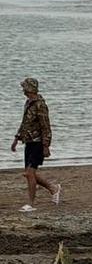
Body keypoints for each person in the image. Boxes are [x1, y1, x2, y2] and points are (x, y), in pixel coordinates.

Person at [10, 78, 61, 212]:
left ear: (30, 88)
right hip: (29, 142)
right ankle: (53, 188)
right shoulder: (28, 103)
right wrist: (16, 138)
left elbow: (46, 126)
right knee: (29, 174)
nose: (23, 89)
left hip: (38, 143)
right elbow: (24, 123)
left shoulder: (40, 105)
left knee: (30, 173)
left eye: (24, 87)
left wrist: (46, 145)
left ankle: (31, 204)